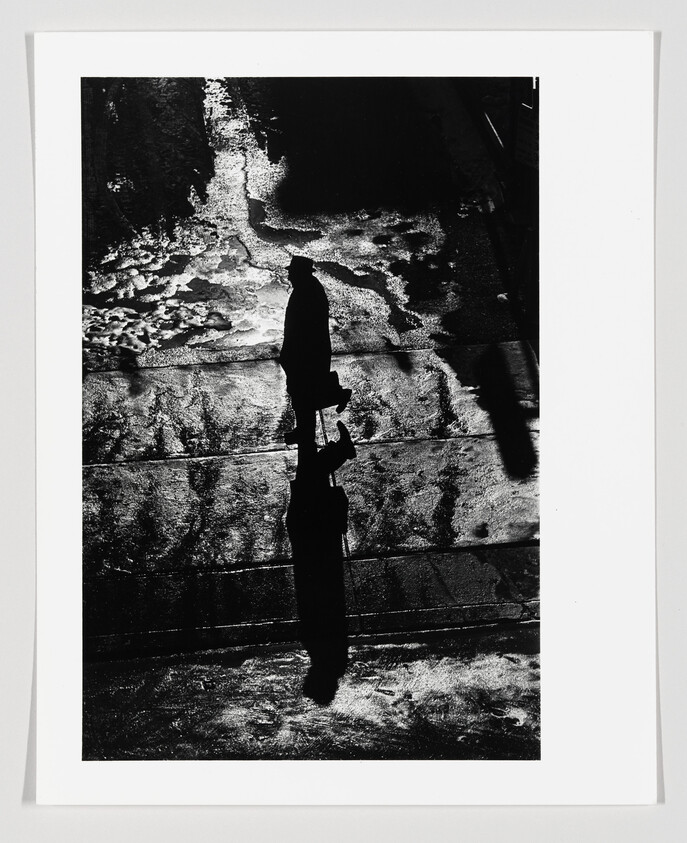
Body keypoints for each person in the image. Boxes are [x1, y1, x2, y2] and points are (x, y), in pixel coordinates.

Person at [279, 256, 351, 445]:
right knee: (303, 392)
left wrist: (289, 352)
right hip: (308, 350)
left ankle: (335, 399)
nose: (289, 277)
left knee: (303, 391)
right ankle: (304, 430)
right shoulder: (307, 288)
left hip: (307, 351)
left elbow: (301, 328)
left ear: (300, 274)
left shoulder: (307, 292)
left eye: (292, 273)